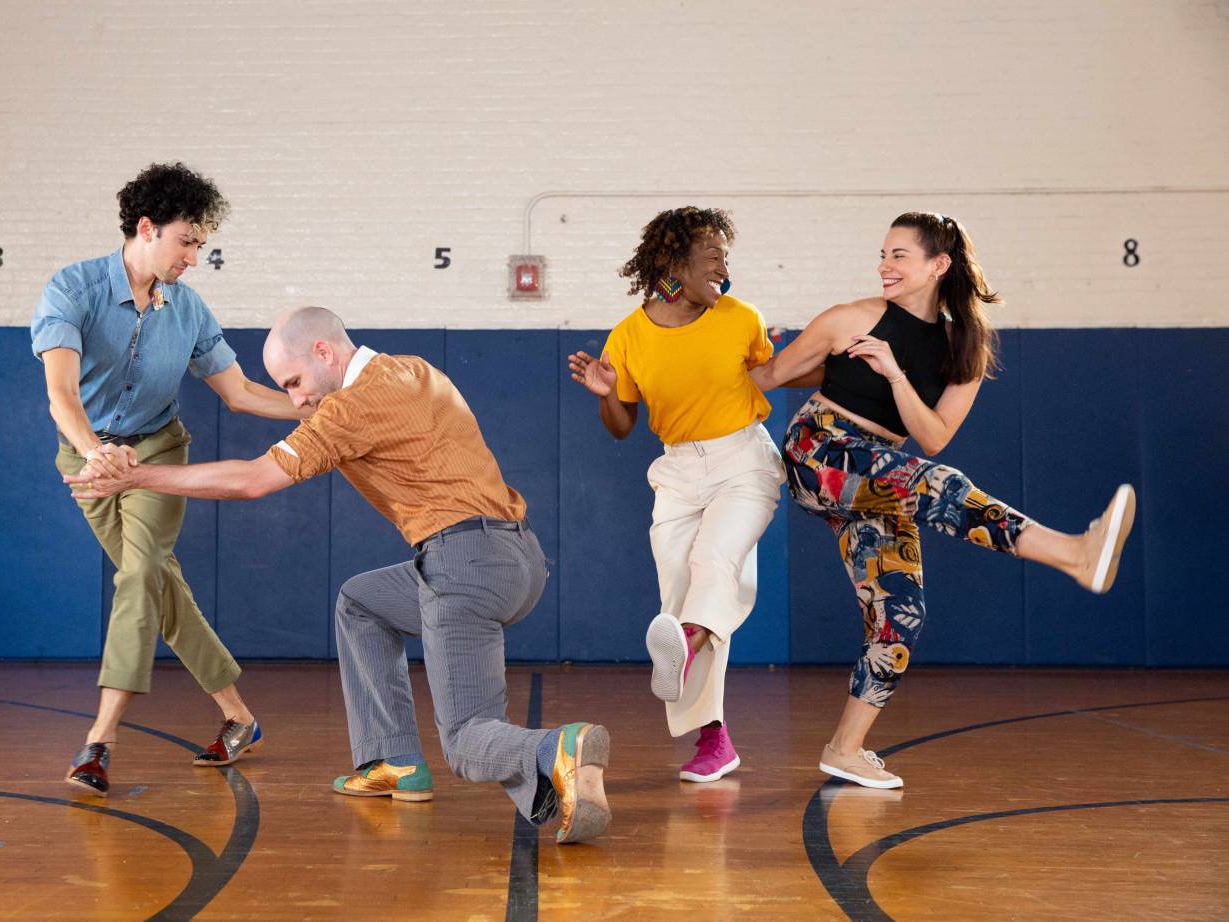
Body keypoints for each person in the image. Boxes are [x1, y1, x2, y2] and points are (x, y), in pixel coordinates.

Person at [66, 306, 612, 844]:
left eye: (296, 381)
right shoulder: (414, 369)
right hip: (517, 558)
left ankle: (555, 749)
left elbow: (251, 480)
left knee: (467, 742)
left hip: (464, 566)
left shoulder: (349, 410)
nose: (297, 399)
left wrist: (134, 478)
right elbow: (325, 415)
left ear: (324, 351)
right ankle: (392, 759)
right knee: (362, 601)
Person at [750, 211, 1136, 789]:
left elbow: (931, 436)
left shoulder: (966, 345)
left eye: (899, 255)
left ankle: (845, 748)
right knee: (940, 484)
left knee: (900, 615)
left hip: (880, 478)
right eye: (883, 253)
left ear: (938, 265)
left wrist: (894, 372)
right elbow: (770, 374)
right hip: (819, 453)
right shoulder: (848, 319)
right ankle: (1076, 553)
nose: (885, 264)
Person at [31, 162, 305, 795]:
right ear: (147, 229)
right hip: (89, 461)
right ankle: (238, 716)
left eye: (202, 246)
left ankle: (98, 743)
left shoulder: (189, 310)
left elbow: (238, 393)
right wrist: (96, 452)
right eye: (188, 242)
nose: (194, 257)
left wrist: (319, 406)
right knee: (160, 584)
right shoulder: (72, 290)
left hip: (156, 454)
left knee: (141, 575)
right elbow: (62, 396)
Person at [569, 206, 809, 783]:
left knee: (714, 565)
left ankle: (689, 637)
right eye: (714, 254)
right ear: (674, 261)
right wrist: (606, 393)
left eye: (727, 254)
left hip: (743, 462)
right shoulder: (627, 336)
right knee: (680, 593)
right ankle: (714, 740)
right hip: (677, 471)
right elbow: (622, 425)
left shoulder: (739, 317)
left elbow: (770, 374)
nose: (725, 265)